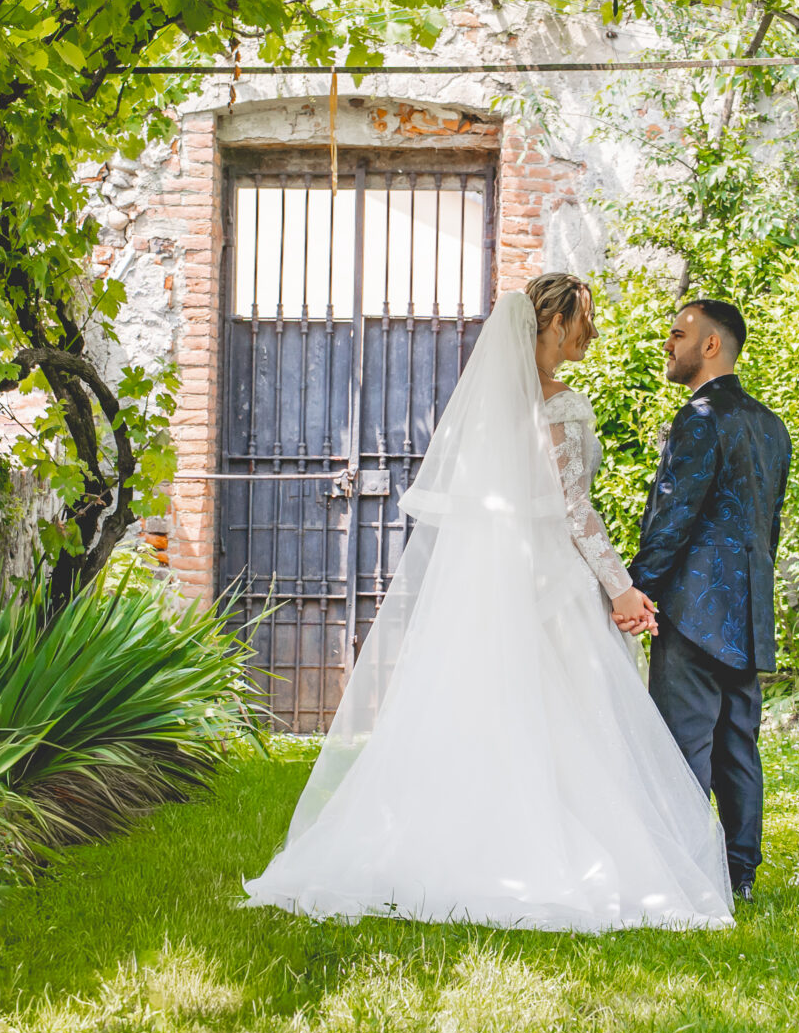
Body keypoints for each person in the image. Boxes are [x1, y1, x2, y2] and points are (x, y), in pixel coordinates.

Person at [242, 274, 732, 931]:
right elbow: (574, 511)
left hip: (499, 579)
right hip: (553, 579)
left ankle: (470, 841)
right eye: (584, 317)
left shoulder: (491, 409)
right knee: (572, 712)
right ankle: (553, 845)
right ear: (555, 323)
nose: (591, 330)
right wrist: (621, 588)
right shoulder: (563, 405)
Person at [628, 299, 792, 902]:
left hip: (694, 613)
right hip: (747, 613)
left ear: (711, 346)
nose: (668, 345)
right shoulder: (772, 425)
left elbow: (674, 515)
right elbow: (766, 527)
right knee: (738, 749)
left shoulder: (698, 417)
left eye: (678, 335)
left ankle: (691, 877)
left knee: (682, 745)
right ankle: (740, 878)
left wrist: (634, 588)